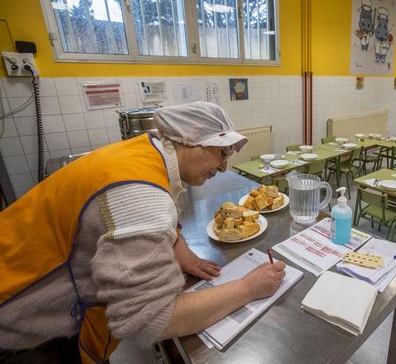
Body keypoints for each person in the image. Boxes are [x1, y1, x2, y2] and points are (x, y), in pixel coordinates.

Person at [0, 102, 286, 364]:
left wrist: (179, 247)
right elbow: (152, 320)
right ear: (189, 140)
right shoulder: (141, 198)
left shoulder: (146, 150)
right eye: (222, 153)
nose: (224, 167)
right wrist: (249, 288)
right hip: (18, 329)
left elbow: (134, 211)